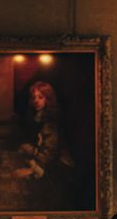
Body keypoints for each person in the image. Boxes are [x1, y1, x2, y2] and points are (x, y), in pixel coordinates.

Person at [5, 81, 76, 210]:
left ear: (48, 99)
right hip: (46, 164)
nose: (36, 100)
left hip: (59, 168)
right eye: (33, 97)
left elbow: (50, 152)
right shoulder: (36, 118)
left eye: (40, 97)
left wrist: (31, 156)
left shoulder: (51, 121)